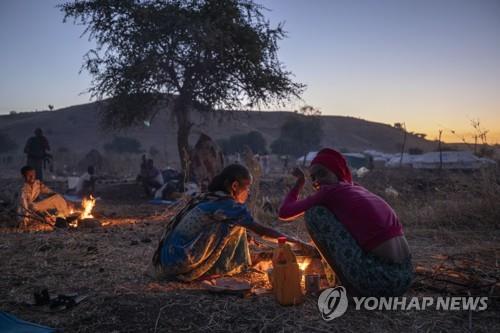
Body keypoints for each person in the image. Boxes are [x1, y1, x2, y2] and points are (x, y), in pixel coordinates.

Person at [278, 148, 413, 296]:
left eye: (322, 174)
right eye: (313, 178)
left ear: (337, 173)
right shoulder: (359, 190)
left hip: (377, 281)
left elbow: (284, 213)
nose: (317, 181)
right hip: (405, 277)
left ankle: (345, 288)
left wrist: (299, 182)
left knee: (314, 213)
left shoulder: (330, 192)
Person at [151, 164, 316, 281]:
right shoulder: (228, 205)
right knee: (233, 226)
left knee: (235, 225)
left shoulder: (209, 197)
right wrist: (297, 242)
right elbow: (261, 230)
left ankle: (244, 261)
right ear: (235, 186)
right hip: (179, 261)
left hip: (168, 258)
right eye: (247, 187)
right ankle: (230, 267)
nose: (249, 192)